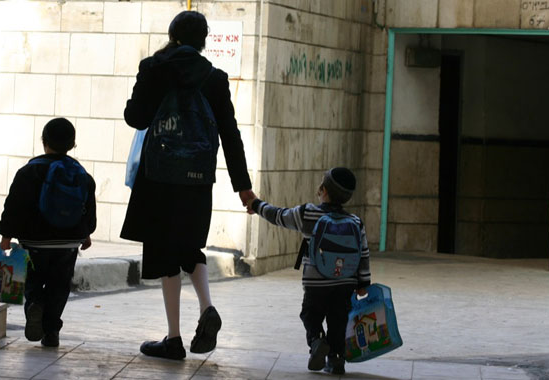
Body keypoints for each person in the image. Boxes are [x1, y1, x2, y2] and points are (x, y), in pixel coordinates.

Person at [121, 10, 256, 360]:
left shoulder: (154, 67)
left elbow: (135, 117)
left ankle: (173, 338)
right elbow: (230, 135)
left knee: (165, 253)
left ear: (173, 35)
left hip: (158, 177)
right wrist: (243, 187)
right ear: (203, 40)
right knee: (189, 247)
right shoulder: (215, 78)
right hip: (197, 180)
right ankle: (207, 307)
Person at [245, 168, 370, 374]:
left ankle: (317, 340)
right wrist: (363, 283)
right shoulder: (356, 222)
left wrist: (257, 205)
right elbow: (363, 253)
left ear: (324, 191)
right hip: (345, 283)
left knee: (310, 315)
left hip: (315, 283)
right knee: (338, 321)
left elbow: (279, 215)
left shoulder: (308, 213)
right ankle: (337, 360)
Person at [0, 117, 96, 347]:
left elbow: (13, 206)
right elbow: (88, 207)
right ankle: (52, 331)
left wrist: (6, 236)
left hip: (34, 242)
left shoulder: (28, 171)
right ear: (72, 144)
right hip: (67, 243)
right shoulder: (80, 174)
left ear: (44, 141)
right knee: (60, 286)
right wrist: (86, 233)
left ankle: (34, 303)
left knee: (33, 280)